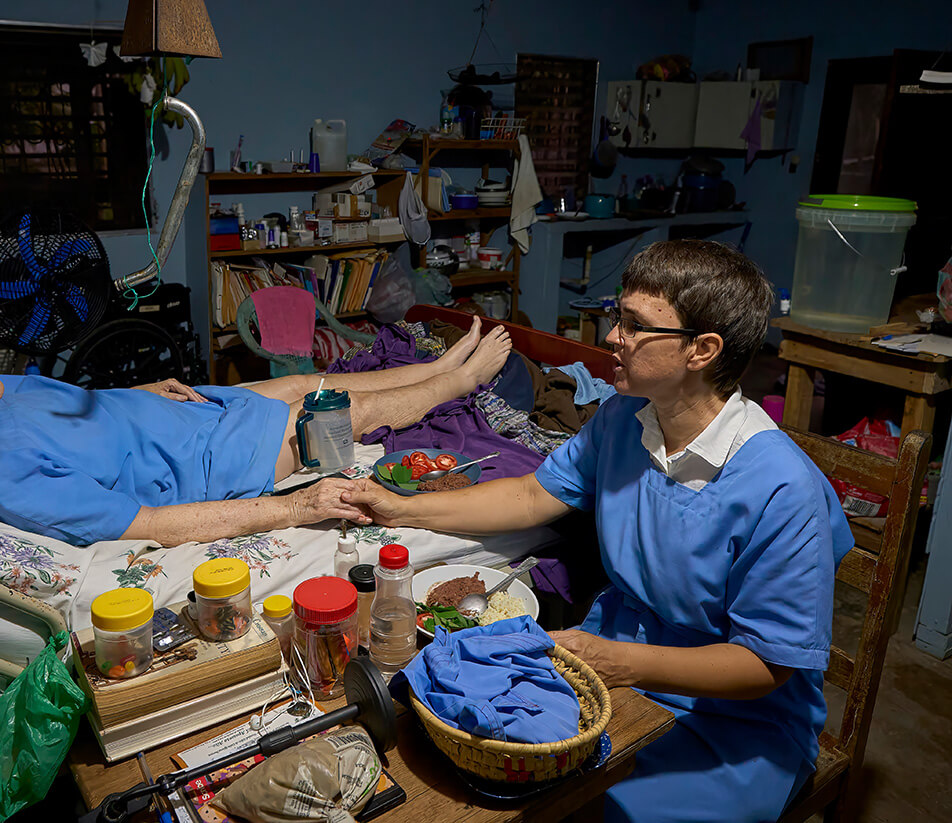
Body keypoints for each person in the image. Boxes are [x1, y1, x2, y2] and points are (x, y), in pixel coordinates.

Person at [343, 239, 853, 823]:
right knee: (466, 744)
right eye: (619, 317)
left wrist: (624, 662)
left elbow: (768, 665)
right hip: (614, 654)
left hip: (735, 715)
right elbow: (532, 494)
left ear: (702, 350)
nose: (613, 336)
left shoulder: (782, 489)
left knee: (593, 808)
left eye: (635, 326)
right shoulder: (623, 418)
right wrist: (397, 509)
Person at [0, 295, 508, 547]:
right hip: (212, 464)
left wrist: (142, 391)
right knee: (334, 410)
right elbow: (152, 526)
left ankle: (436, 369)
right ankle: (457, 381)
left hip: (182, 412)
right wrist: (296, 509)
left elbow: (75, 408)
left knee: (306, 378)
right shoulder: (0, 467)